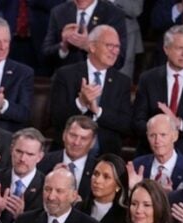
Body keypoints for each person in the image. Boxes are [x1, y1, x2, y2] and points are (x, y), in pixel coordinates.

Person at [49, 25, 132, 156]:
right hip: (68, 149)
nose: (115, 51)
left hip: (105, 154)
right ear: (92, 47)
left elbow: (126, 124)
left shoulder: (122, 82)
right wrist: (81, 103)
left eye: (117, 47)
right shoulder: (66, 75)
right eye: (109, 45)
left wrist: (98, 111)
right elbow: (56, 118)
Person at [132, 25, 183, 157]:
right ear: (166, 49)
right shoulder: (148, 79)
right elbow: (137, 121)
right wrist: (159, 130)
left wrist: (178, 123)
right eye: (179, 48)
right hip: (151, 153)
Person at [0, 127, 46, 223]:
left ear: (40, 157)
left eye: (30, 154)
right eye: (19, 151)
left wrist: (21, 219)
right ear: (11, 150)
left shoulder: (46, 187)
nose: (22, 159)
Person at [41, 0, 127, 71]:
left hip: (98, 81)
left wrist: (87, 46)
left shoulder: (113, 14)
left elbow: (119, 61)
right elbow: (45, 57)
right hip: (64, 80)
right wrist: (64, 46)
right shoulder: (59, 12)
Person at [37, 115, 98, 202]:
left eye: (84, 138)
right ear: (64, 135)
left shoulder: (97, 168)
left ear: (92, 142)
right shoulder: (42, 161)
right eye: (73, 135)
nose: (76, 142)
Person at [128, 113, 183, 192]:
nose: (157, 141)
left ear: (175, 136)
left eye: (163, 135)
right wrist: (134, 189)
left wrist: (172, 196)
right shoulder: (137, 165)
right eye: (152, 135)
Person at [78, 153, 129, 223]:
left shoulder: (126, 217)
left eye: (106, 177)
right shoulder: (79, 208)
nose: (97, 181)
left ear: (118, 185)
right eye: (96, 174)